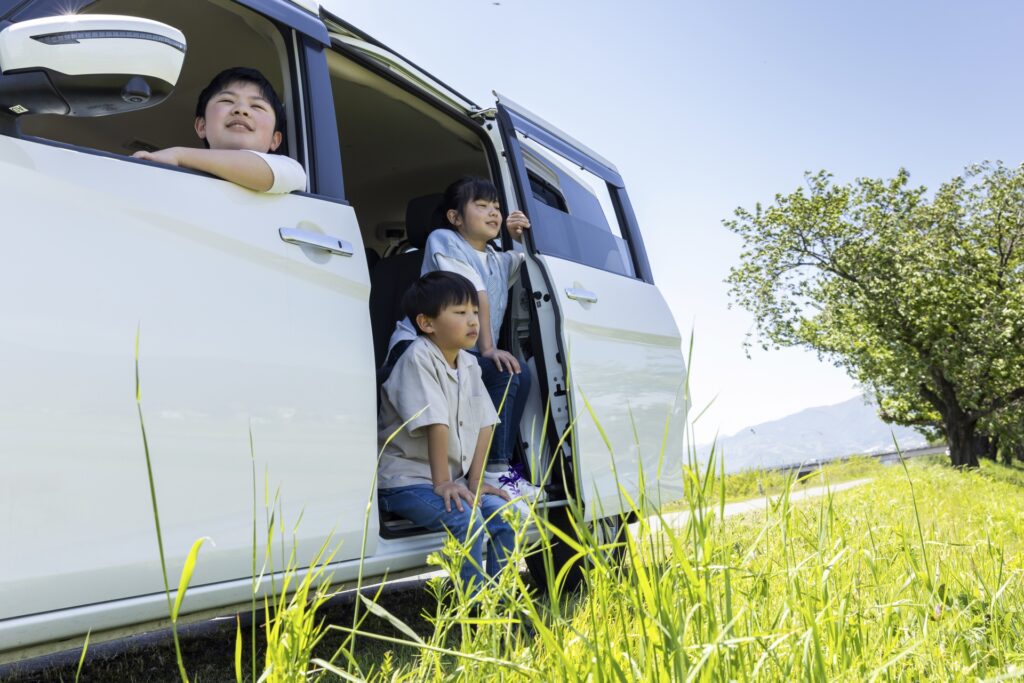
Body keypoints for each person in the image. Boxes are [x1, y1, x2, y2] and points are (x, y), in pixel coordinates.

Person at [383, 177, 541, 512]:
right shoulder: (445, 240)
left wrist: (519, 237)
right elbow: (476, 295)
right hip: (420, 346)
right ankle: (496, 471)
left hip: (459, 355)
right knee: (505, 370)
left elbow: (525, 261)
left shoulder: (498, 259)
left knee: (517, 372)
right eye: (481, 206)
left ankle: (490, 471)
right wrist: (487, 348)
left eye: (497, 207)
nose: (493, 213)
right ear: (456, 217)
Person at [377, 271, 517, 593]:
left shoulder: (468, 363)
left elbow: (485, 422)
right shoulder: (417, 357)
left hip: (449, 481)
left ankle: (503, 604)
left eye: (475, 312)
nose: (473, 321)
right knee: (466, 519)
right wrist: (442, 483)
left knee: (505, 517)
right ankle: (476, 611)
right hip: (406, 481)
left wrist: (476, 483)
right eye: (460, 313)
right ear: (427, 323)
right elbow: (434, 422)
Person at [132, 67, 306, 194]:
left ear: (275, 140)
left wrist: (178, 155)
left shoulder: (291, 169)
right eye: (227, 101)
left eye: (257, 106)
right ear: (202, 126)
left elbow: (266, 171)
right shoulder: (176, 180)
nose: (241, 110)